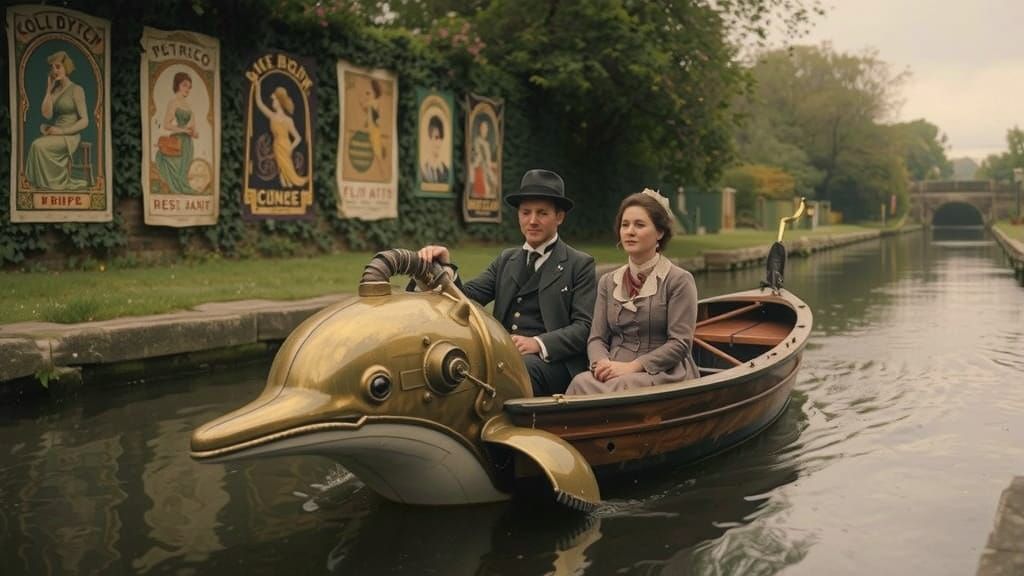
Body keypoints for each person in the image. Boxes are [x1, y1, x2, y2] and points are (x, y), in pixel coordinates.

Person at [418, 169, 596, 396]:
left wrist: (537, 343)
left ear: (559, 217)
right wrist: (444, 267)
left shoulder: (579, 264)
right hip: (503, 355)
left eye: (542, 213)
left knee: (516, 372)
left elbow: (584, 328)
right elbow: (466, 297)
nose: (532, 221)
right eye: (525, 212)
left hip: (554, 363)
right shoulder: (506, 259)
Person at [566, 189, 699, 395]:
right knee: (580, 381)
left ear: (660, 233)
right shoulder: (608, 282)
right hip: (614, 368)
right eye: (625, 225)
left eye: (640, 225)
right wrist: (601, 363)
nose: (630, 231)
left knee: (621, 387)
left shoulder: (679, 280)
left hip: (663, 372)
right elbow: (597, 338)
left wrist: (632, 367)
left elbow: (680, 343)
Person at [25, 51, 89, 190]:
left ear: (66, 67)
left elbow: (85, 121)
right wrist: (48, 90)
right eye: (53, 67)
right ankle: (42, 184)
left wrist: (62, 131)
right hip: (56, 132)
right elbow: (46, 114)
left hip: (70, 135)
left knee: (38, 146)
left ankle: (53, 183)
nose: (55, 71)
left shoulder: (76, 90)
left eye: (58, 67)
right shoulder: (55, 91)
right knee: (35, 144)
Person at [254, 79, 307, 187]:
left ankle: (289, 189)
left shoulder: (288, 120)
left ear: (279, 101)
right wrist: (257, 87)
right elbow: (259, 104)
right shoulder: (272, 116)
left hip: (285, 145)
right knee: (281, 171)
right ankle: (286, 189)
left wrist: (291, 148)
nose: (272, 102)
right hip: (277, 145)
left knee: (287, 170)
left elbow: (298, 138)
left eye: (274, 100)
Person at [155, 71, 199, 194]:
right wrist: (183, 129)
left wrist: (194, 133)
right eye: (184, 85)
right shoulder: (173, 102)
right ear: (178, 85)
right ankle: (177, 188)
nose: (187, 89)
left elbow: (194, 129)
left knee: (184, 170)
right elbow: (166, 124)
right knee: (175, 167)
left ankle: (183, 187)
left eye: (189, 87)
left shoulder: (189, 105)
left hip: (188, 143)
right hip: (177, 140)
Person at [469, 118, 497, 198]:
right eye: (483, 128)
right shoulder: (477, 141)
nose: (484, 130)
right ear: (480, 129)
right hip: (482, 167)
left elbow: (488, 159)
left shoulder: (487, 143)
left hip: (488, 166)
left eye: (486, 128)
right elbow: (479, 157)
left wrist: (492, 165)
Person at [420, 115, 449, 184]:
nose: (438, 143)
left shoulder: (446, 171)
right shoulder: (423, 171)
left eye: (440, 138)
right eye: (435, 138)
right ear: (429, 139)